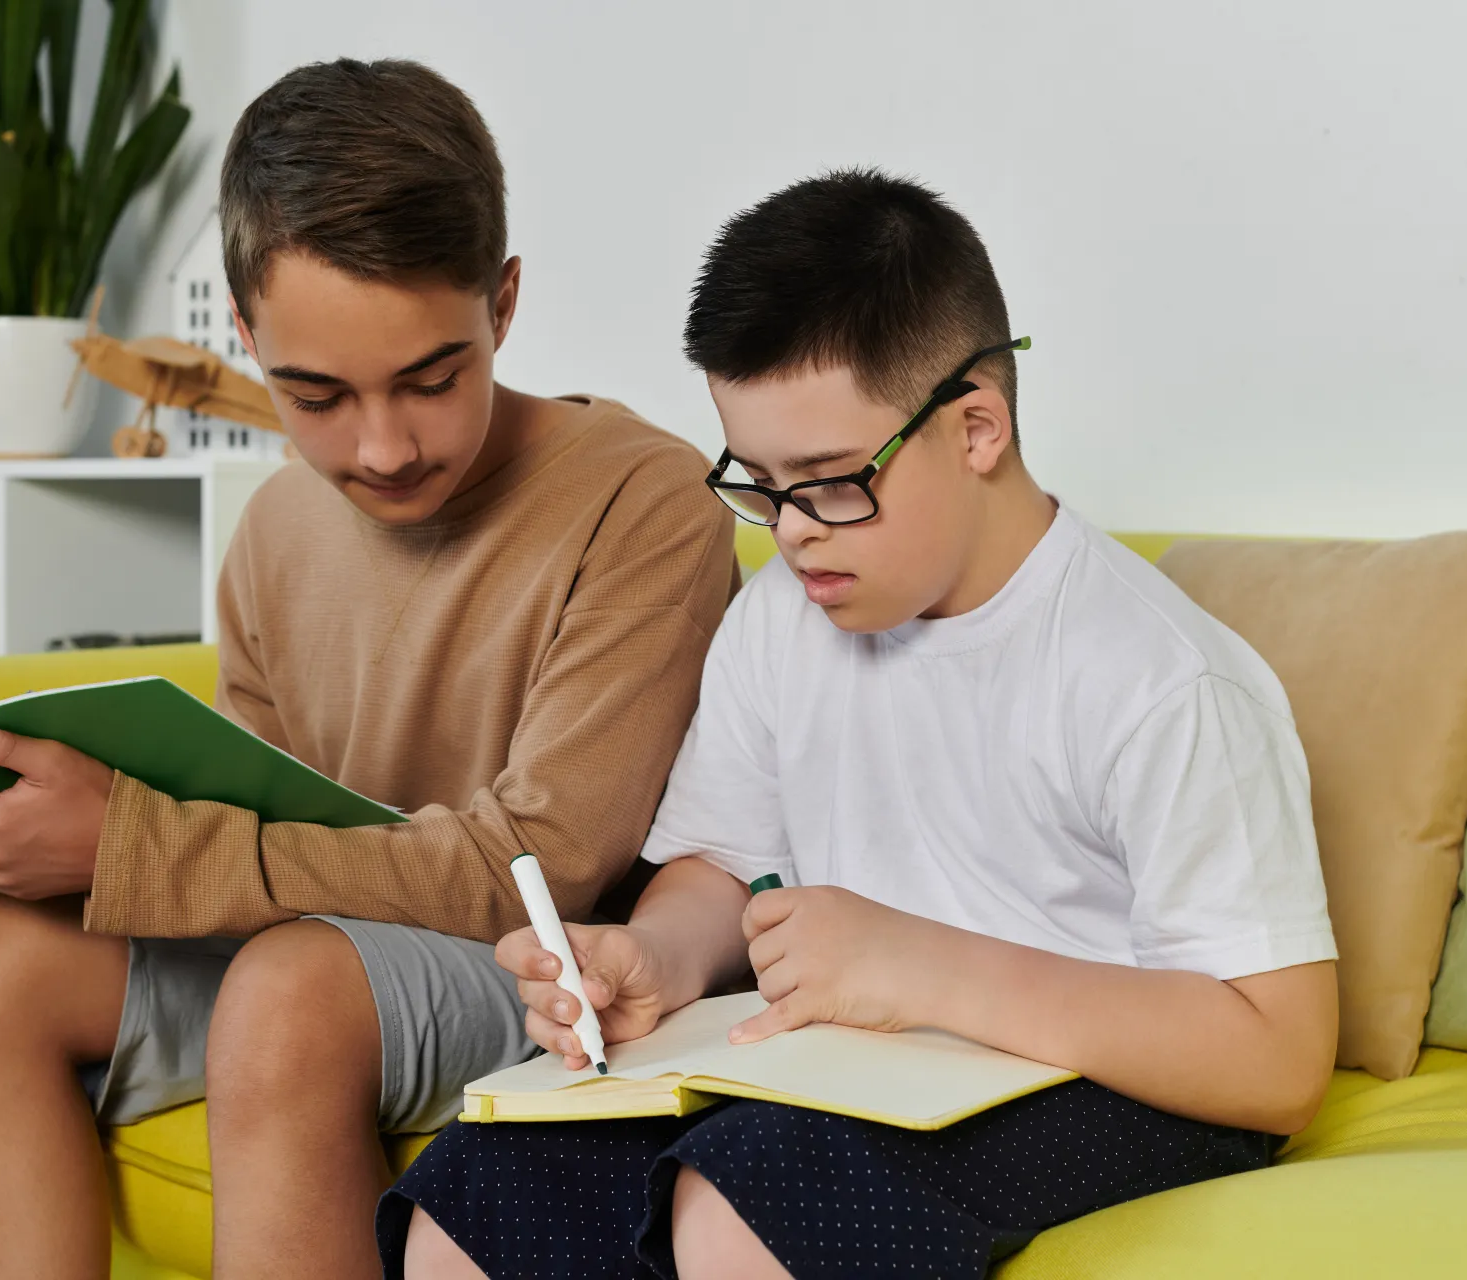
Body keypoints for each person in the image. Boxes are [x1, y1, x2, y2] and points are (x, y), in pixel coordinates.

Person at [384, 169, 1340, 1279]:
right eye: (760, 482)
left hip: (1122, 1082)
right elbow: (719, 864)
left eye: (832, 481)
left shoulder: (1160, 678)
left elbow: (1278, 1056)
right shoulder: (780, 618)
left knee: (747, 1199)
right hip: (867, 1070)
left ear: (977, 427)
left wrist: (922, 967)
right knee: (480, 1188)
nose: (791, 531)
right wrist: (652, 958)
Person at [0, 59, 736, 1280]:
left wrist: (139, 850)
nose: (382, 446)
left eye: (432, 379)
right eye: (315, 394)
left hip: (544, 966)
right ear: (245, 336)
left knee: (293, 988)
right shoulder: (277, 524)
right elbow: (250, 805)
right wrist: (79, 827)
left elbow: (541, 861)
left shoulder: (644, 500)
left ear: (503, 302)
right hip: (324, 937)